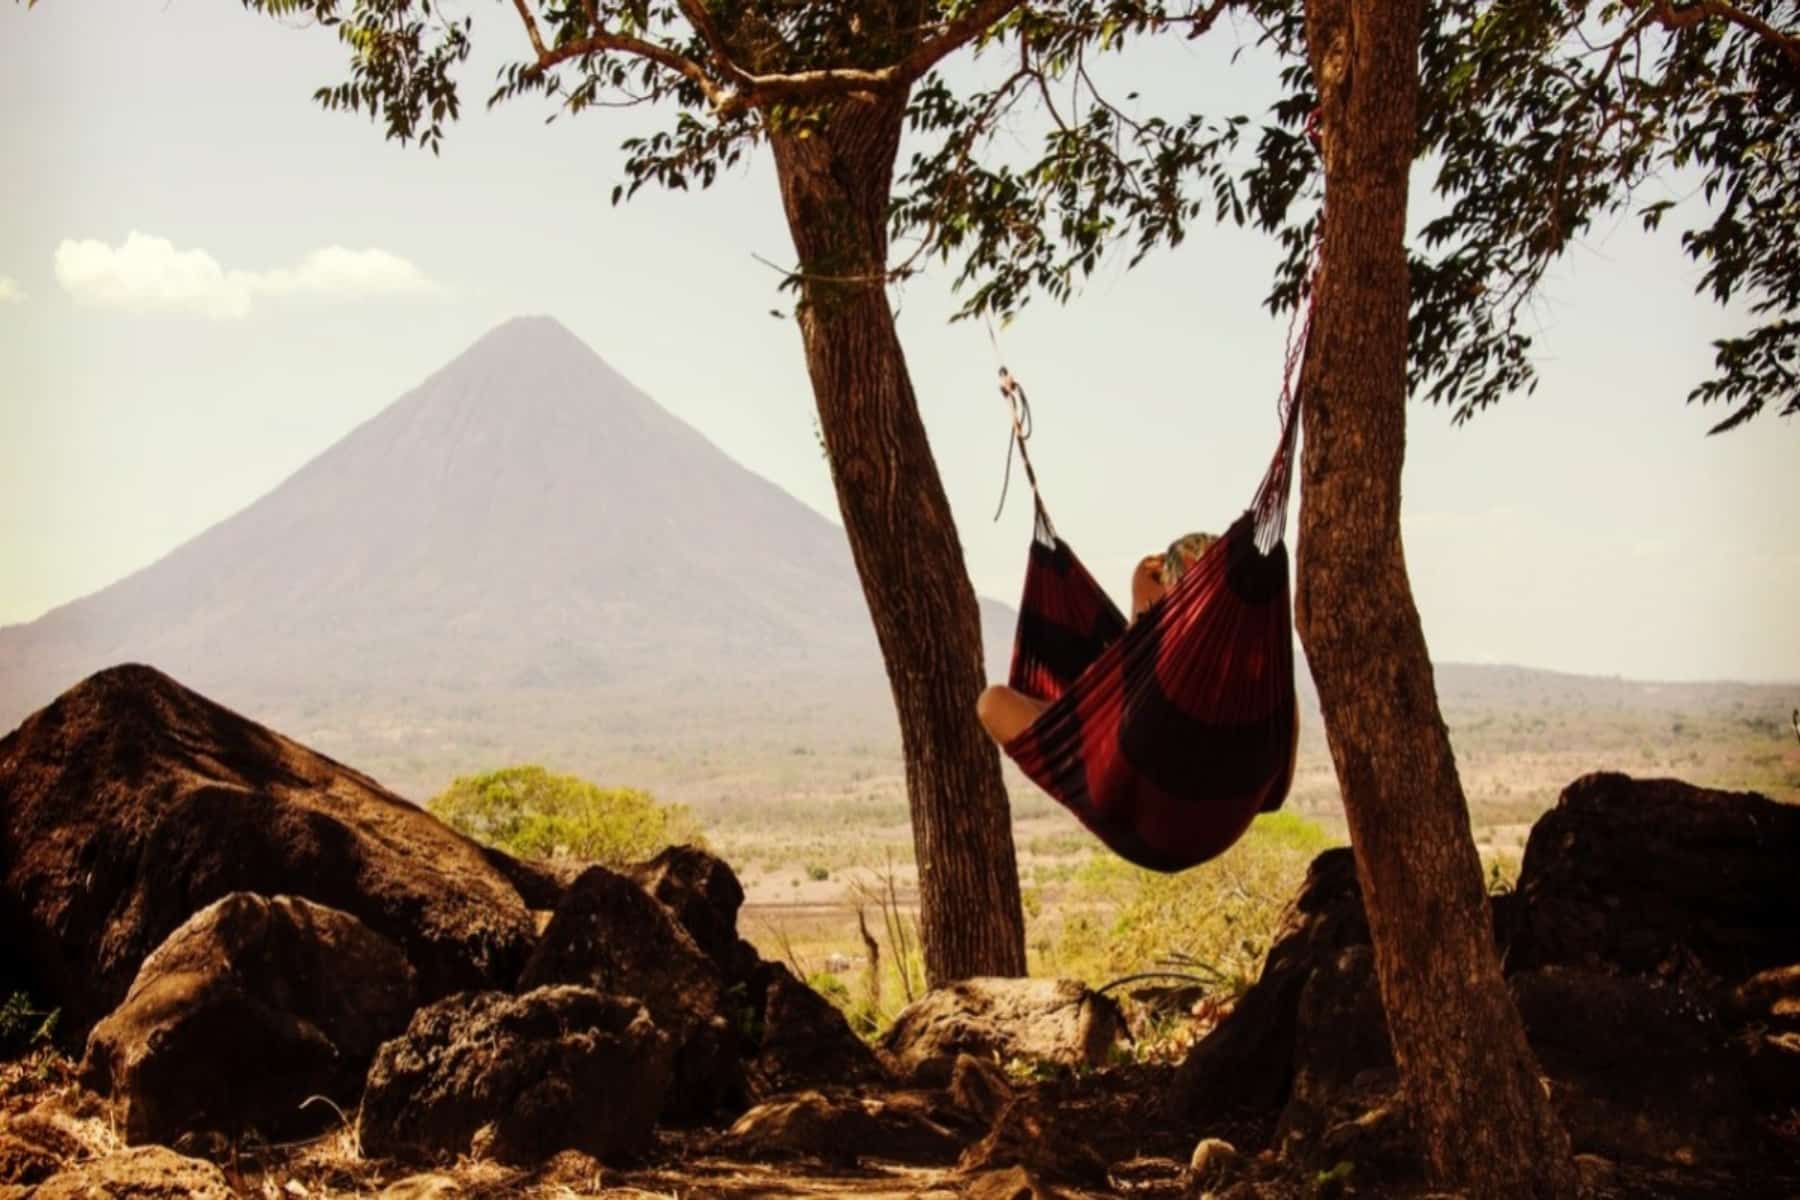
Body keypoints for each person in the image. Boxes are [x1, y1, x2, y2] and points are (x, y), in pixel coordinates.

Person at [976, 531, 1218, 746]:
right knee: (994, 703)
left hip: (1144, 735)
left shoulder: (1219, 656)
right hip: (1105, 724)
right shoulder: (1146, 624)